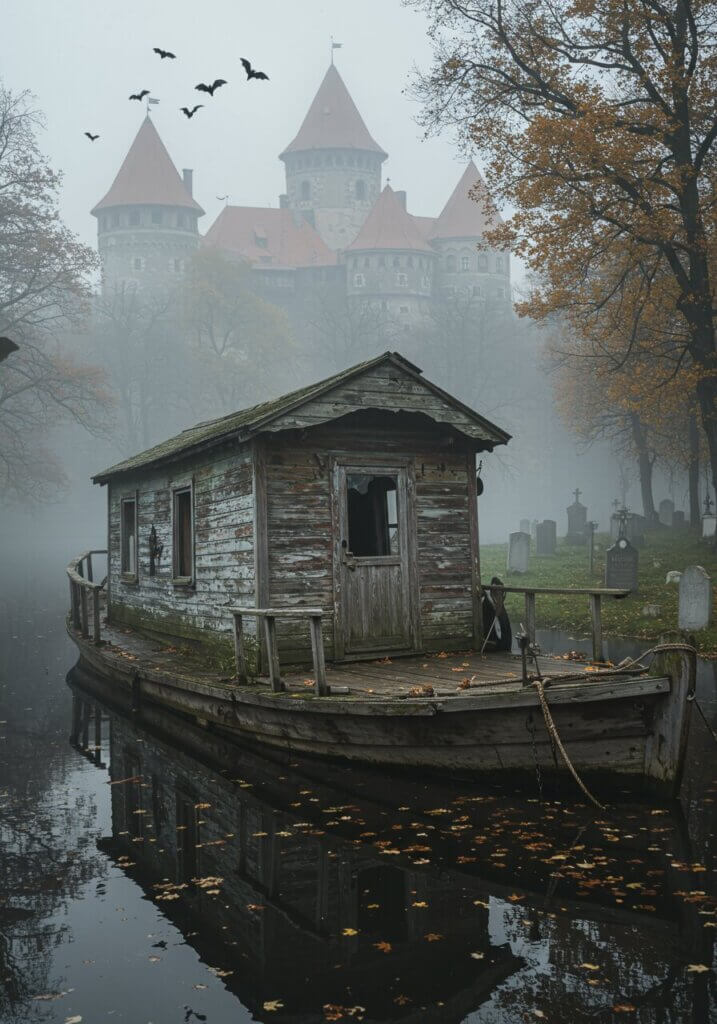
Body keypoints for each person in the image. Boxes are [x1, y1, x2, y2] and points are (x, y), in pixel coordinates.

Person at [481, 576, 512, 652]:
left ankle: (503, 647)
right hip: (490, 628)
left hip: (502, 639)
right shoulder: (486, 602)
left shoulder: (500, 601)